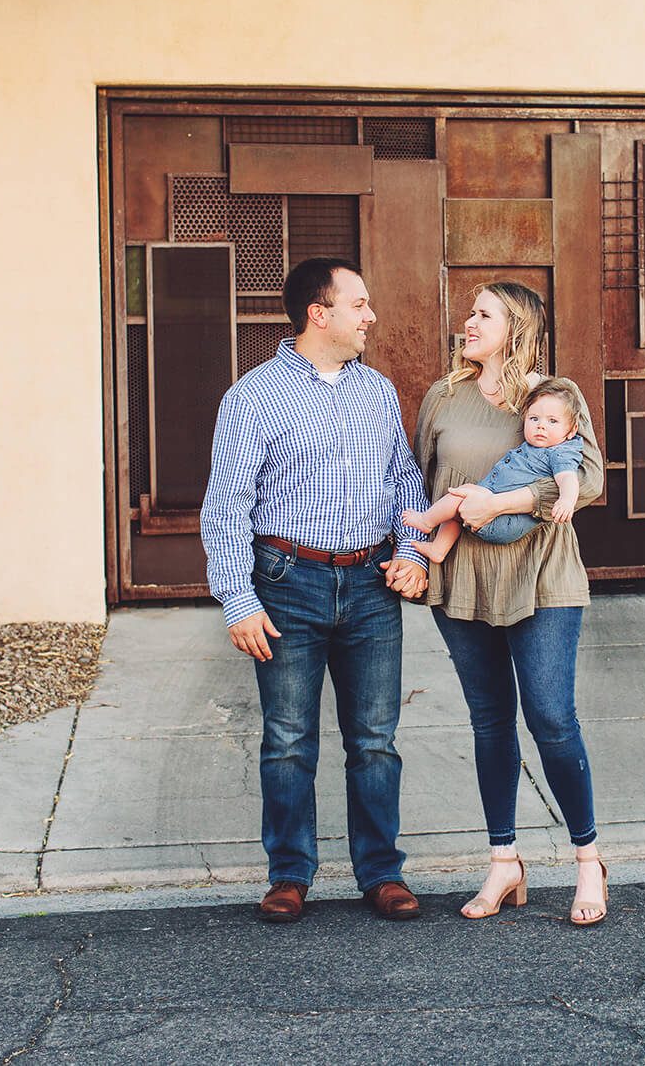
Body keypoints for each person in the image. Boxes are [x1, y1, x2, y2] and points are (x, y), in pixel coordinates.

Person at [202, 257, 433, 925]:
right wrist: (239, 600)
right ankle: (290, 873)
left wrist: (412, 554)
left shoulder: (378, 392)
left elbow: (405, 484)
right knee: (287, 739)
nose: (372, 316)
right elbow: (226, 507)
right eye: (359, 303)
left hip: (370, 584)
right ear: (318, 313)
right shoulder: (252, 397)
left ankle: (381, 873)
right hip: (287, 584)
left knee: (374, 740)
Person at [413, 282, 610, 925]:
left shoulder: (553, 396)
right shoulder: (443, 397)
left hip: (542, 578)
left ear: (517, 325)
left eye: (483, 314)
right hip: (465, 580)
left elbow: (591, 481)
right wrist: (418, 556)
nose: (467, 322)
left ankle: (588, 860)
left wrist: (506, 503)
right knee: (491, 722)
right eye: (469, 312)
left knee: (551, 718)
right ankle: (505, 863)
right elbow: (424, 483)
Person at [400, 377, 585, 564]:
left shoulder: (560, 453)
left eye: (553, 421)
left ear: (571, 430)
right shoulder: (539, 447)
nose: (541, 425)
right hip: (494, 506)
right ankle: (439, 549)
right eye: (534, 418)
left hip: (504, 519)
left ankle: (426, 521)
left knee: (458, 499)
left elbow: (568, 478)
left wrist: (566, 500)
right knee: (462, 495)